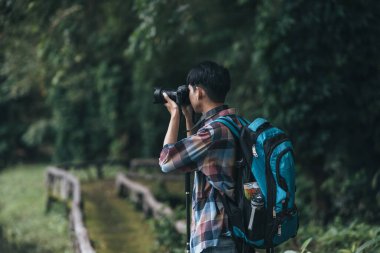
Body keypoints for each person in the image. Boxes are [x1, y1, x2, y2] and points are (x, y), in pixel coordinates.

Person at [159, 61, 245, 253]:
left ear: (198, 92)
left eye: (190, 90)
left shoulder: (213, 132)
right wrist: (189, 119)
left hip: (215, 236)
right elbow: (196, 161)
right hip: (235, 232)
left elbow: (166, 161)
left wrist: (175, 115)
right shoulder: (235, 123)